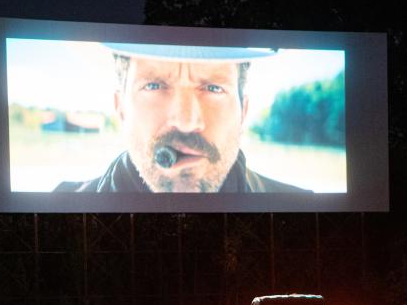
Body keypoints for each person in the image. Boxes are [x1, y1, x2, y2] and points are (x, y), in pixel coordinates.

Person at [54, 43, 310, 193]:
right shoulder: (61, 204)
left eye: (213, 88)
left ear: (243, 112)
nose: (186, 122)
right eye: (154, 85)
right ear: (120, 107)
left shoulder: (301, 208)